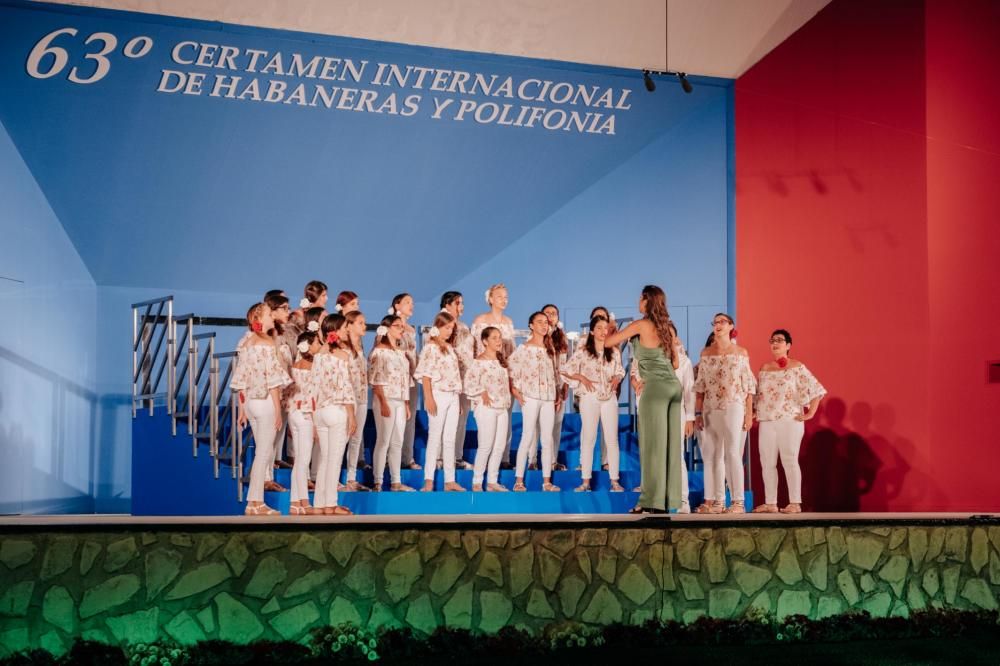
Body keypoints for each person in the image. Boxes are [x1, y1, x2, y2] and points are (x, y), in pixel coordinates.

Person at [603, 285, 682, 513]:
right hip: (674, 388)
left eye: (641, 298)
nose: (638, 301)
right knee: (669, 448)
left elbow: (609, 344)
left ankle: (650, 501)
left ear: (647, 301)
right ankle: (667, 502)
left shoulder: (640, 325)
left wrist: (610, 328)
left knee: (652, 447)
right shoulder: (669, 328)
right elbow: (676, 364)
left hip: (655, 389)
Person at [754, 329, 826, 514]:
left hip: (790, 419)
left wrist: (810, 412)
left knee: (789, 460)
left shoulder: (797, 366)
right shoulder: (764, 368)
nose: (775, 343)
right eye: (772, 340)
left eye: (780, 340)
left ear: (788, 345)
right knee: (767, 462)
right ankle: (771, 503)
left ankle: (795, 502)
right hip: (767, 420)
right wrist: (752, 412)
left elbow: (816, 389)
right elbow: (758, 395)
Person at [230, 303, 291, 516]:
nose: (272, 316)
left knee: (261, 452)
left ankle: (254, 502)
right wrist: (277, 410)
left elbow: (241, 379)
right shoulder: (266, 343)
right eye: (268, 314)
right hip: (264, 402)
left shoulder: (246, 342)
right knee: (263, 453)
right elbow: (273, 380)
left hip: (250, 403)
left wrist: (242, 409)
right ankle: (255, 502)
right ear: (260, 318)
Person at [693, 313, 756, 514]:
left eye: (722, 322)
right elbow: (701, 386)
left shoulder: (740, 352)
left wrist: (748, 414)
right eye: (715, 322)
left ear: (731, 326)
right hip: (711, 407)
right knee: (714, 454)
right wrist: (698, 413)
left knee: (732, 453)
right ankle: (719, 501)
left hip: (733, 405)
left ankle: (738, 501)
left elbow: (748, 386)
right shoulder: (706, 353)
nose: (718, 325)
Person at [563, 315, 625, 492]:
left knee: (612, 439)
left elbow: (620, 370)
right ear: (591, 331)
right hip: (590, 396)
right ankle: (585, 481)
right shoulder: (583, 351)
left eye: (606, 328)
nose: (603, 331)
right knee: (589, 438)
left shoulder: (613, 351)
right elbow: (566, 370)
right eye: (599, 328)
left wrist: (617, 378)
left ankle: (614, 481)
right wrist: (581, 377)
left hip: (609, 397)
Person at [510, 312, 562, 492]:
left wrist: (558, 395)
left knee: (547, 439)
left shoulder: (551, 349)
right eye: (539, 322)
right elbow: (511, 370)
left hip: (548, 397)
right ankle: (518, 480)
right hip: (530, 397)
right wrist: (516, 392)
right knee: (527, 436)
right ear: (531, 325)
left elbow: (555, 374)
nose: (544, 325)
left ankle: (546, 482)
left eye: (546, 322)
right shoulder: (523, 348)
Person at [310, 314, 357, 515]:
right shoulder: (343, 356)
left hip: (320, 411)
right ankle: (331, 503)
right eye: (345, 327)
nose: (347, 330)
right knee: (334, 460)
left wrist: (313, 417)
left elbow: (312, 388)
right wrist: (352, 415)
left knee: (324, 459)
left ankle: (319, 504)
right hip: (337, 411)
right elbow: (345, 388)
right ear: (335, 331)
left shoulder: (318, 355)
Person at [415, 311, 465, 492]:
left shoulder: (450, 349)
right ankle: (428, 481)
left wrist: (458, 400)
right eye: (446, 328)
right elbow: (426, 375)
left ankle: (449, 480)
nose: (449, 331)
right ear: (438, 327)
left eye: (452, 328)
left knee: (450, 439)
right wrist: (428, 397)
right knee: (435, 438)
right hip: (438, 395)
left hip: (452, 396)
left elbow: (455, 375)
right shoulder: (430, 347)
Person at [471, 283, 517, 467]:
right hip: (486, 374)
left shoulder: (509, 322)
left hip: (503, 373)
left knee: (506, 415)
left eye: (506, 296)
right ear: (490, 299)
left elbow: (511, 350)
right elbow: (474, 349)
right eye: (499, 296)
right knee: (487, 417)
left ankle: (503, 458)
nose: (503, 300)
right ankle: (485, 461)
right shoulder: (480, 320)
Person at [369, 315, 416, 491]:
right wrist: (383, 403)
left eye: (401, 327)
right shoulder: (379, 352)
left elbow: (405, 378)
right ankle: (378, 481)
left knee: (398, 440)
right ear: (387, 328)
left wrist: (405, 403)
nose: (401, 330)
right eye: (397, 326)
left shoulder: (400, 352)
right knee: (384, 440)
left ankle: (396, 481)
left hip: (399, 400)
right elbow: (376, 380)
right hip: (386, 399)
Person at [464, 326, 512, 491]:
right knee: (486, 445)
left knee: (499, 446)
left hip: (502, 407)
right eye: (494, 338)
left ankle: (492, 481)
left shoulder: (501, 361)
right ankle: (477, 482)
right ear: (485, 341)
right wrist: (481, 391)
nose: (498, 341)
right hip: (487, 408)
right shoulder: (478, 362)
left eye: (499, 337)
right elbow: (468, 384)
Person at [287, 331, 320, 515]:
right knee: (303, 460)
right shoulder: (313, 368)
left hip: (294, 413)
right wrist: (315, 423)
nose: (319, 346)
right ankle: (304, 501)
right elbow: (314, 398)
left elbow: (288, 395)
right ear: (309, 345)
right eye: (316, 343)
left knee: (300, 460)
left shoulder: (294, 367)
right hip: (307, 415)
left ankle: (295, 501)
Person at [441, 291, 475, 470]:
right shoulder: (442, 324)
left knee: (462, 418)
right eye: (457, 303)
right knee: (447, 419)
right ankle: (441, 457)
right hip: (449, 381)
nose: (461, 307)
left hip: (465, 378)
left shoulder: (462, 325)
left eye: (462, 303)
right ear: (447, 304)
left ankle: (456, 456)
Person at [389, 293, 421, 471]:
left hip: (411, 377)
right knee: (394, 419)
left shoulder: (410, 328)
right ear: (397, 305)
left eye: (412, 302)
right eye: (407, 302)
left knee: (410, 418)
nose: (411, 305)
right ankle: (390, 458)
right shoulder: (390, 325)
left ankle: (407, 457)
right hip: (396, 380)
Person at [342, 311, 371, 491]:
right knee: (342, 438)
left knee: (356, 439)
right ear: (349, 325)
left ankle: (351, 478)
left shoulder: (360, 347)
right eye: (360, 323)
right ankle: (331, 477)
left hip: (361, 397)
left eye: (364, 322)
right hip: (347, 399)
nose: (364, 326)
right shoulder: (343, 348)